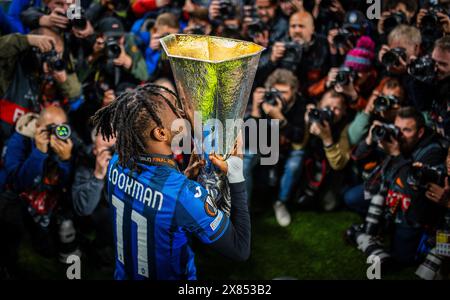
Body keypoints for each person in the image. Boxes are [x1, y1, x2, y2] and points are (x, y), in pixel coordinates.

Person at [91, 84, 251, 279]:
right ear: (161, 133)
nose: (183, 113)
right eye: (176, 109)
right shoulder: (183, 195)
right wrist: (236, 175)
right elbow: (240, 249)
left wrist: (182, 178)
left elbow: (146, 201)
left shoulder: (117, 161)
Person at [244, 69, 307, 227]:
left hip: (289, 147)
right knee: (244, 160)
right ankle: (244, 209)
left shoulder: (299, 103)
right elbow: (249, 138)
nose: (279, 96)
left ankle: (281, 202)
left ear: (294, 91)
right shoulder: (267, 101)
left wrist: (279, 117)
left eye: (284, 92)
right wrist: (256, 111)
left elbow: (298, 136)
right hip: (265, 145)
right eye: (276, 92)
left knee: (295, 162)